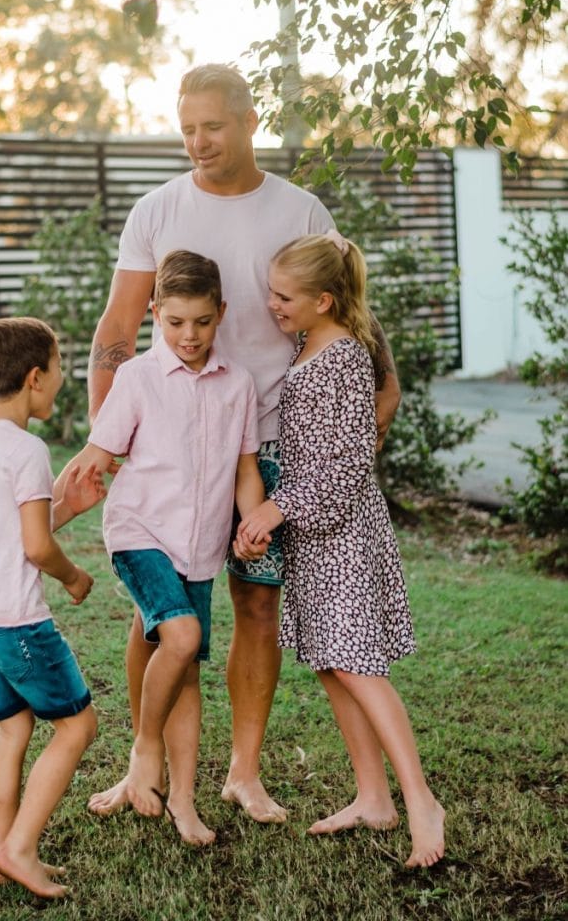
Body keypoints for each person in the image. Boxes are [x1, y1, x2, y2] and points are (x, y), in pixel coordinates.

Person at [87, 63, 401, 824]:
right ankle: (147, 763)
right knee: (157, 616)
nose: (197, 141)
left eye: (212, 126)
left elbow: (347, 310)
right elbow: (117, 330)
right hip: (173, 450)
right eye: (186, 127)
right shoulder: (155, 210)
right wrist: (111, 439)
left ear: (249, 120)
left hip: (267, 448)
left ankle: (243, 772)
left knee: (257, 610)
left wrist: (382, 392)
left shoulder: (297, 206)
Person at [235, 233, 445, 868]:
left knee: (359, 668)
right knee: (331, 663)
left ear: (324, 300)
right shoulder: (311, 342)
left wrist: (274, 509)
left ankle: (421, 802)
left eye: (283, 296)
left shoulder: (344, 360)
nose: (272, 304)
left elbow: (347, 464)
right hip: (315, 537)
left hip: (342, 535)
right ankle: (373, 797)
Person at [56, 250, 267, 844]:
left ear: (221, 313)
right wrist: (44, 517)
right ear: (154, 314)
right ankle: (145, 751)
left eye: (202, 322)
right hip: (139, 533)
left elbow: (246, 469)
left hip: (199, 546)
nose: (189, 335)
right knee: (183, 636)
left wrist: (251, 524)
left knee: (185, 672)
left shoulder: (239, 385)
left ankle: (183, 800)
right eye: (175, 323)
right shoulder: (138, 378)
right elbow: (96, 459)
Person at [0, 317, 104, 899]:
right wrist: (75, 576)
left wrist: (68, 506)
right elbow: (36, 548)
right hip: (16, 621)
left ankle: (2, 855)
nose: (62, 379)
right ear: (36, 377)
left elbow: (12, 532)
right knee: (77, 727)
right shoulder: (28, 449)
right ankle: (18, 849)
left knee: (13, 729)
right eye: (60, 367)